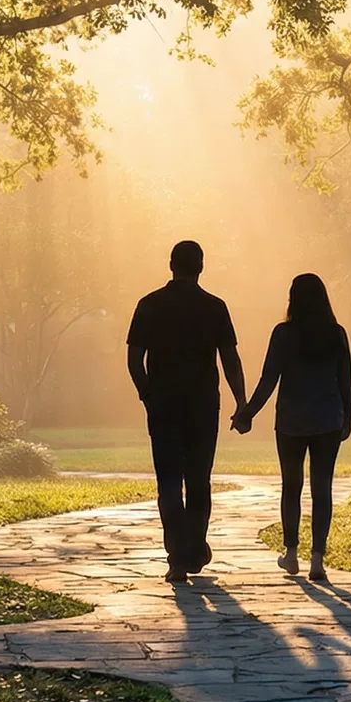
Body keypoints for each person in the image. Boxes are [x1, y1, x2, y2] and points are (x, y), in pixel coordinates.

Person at [127, 240, 246, 584]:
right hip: (203, 404)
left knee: (168, 481)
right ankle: (194, 546)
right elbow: (230, 360)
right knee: (198, 479)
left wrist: (147, 394)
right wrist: (241, 403)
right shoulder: (215, 307)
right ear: (201, 267)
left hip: (163, 404)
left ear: (171, 265)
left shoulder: (149, 305)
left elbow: (135, 359)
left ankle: (177, 557)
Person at [232, 273, 351, 582]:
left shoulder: (284, 334)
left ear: (293, 299)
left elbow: (269, 379)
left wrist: (247, 413)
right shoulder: (335, 334)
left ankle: (291, 553)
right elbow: (345, 382)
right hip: (328, 419)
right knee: (322, 488)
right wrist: (347, 417)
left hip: (291, 421)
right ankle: (318, 560)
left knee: (292, 486)